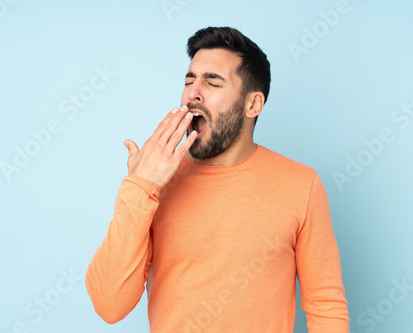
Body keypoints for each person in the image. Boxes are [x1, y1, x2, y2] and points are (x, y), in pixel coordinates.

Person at [85, 26, 350, 332]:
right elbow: (109, 306)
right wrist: (140, 185)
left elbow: (325, 304)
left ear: (253, 104)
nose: (192, 93)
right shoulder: (153, 184)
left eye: (212, 82)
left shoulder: (302, 184)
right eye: (189, 80)